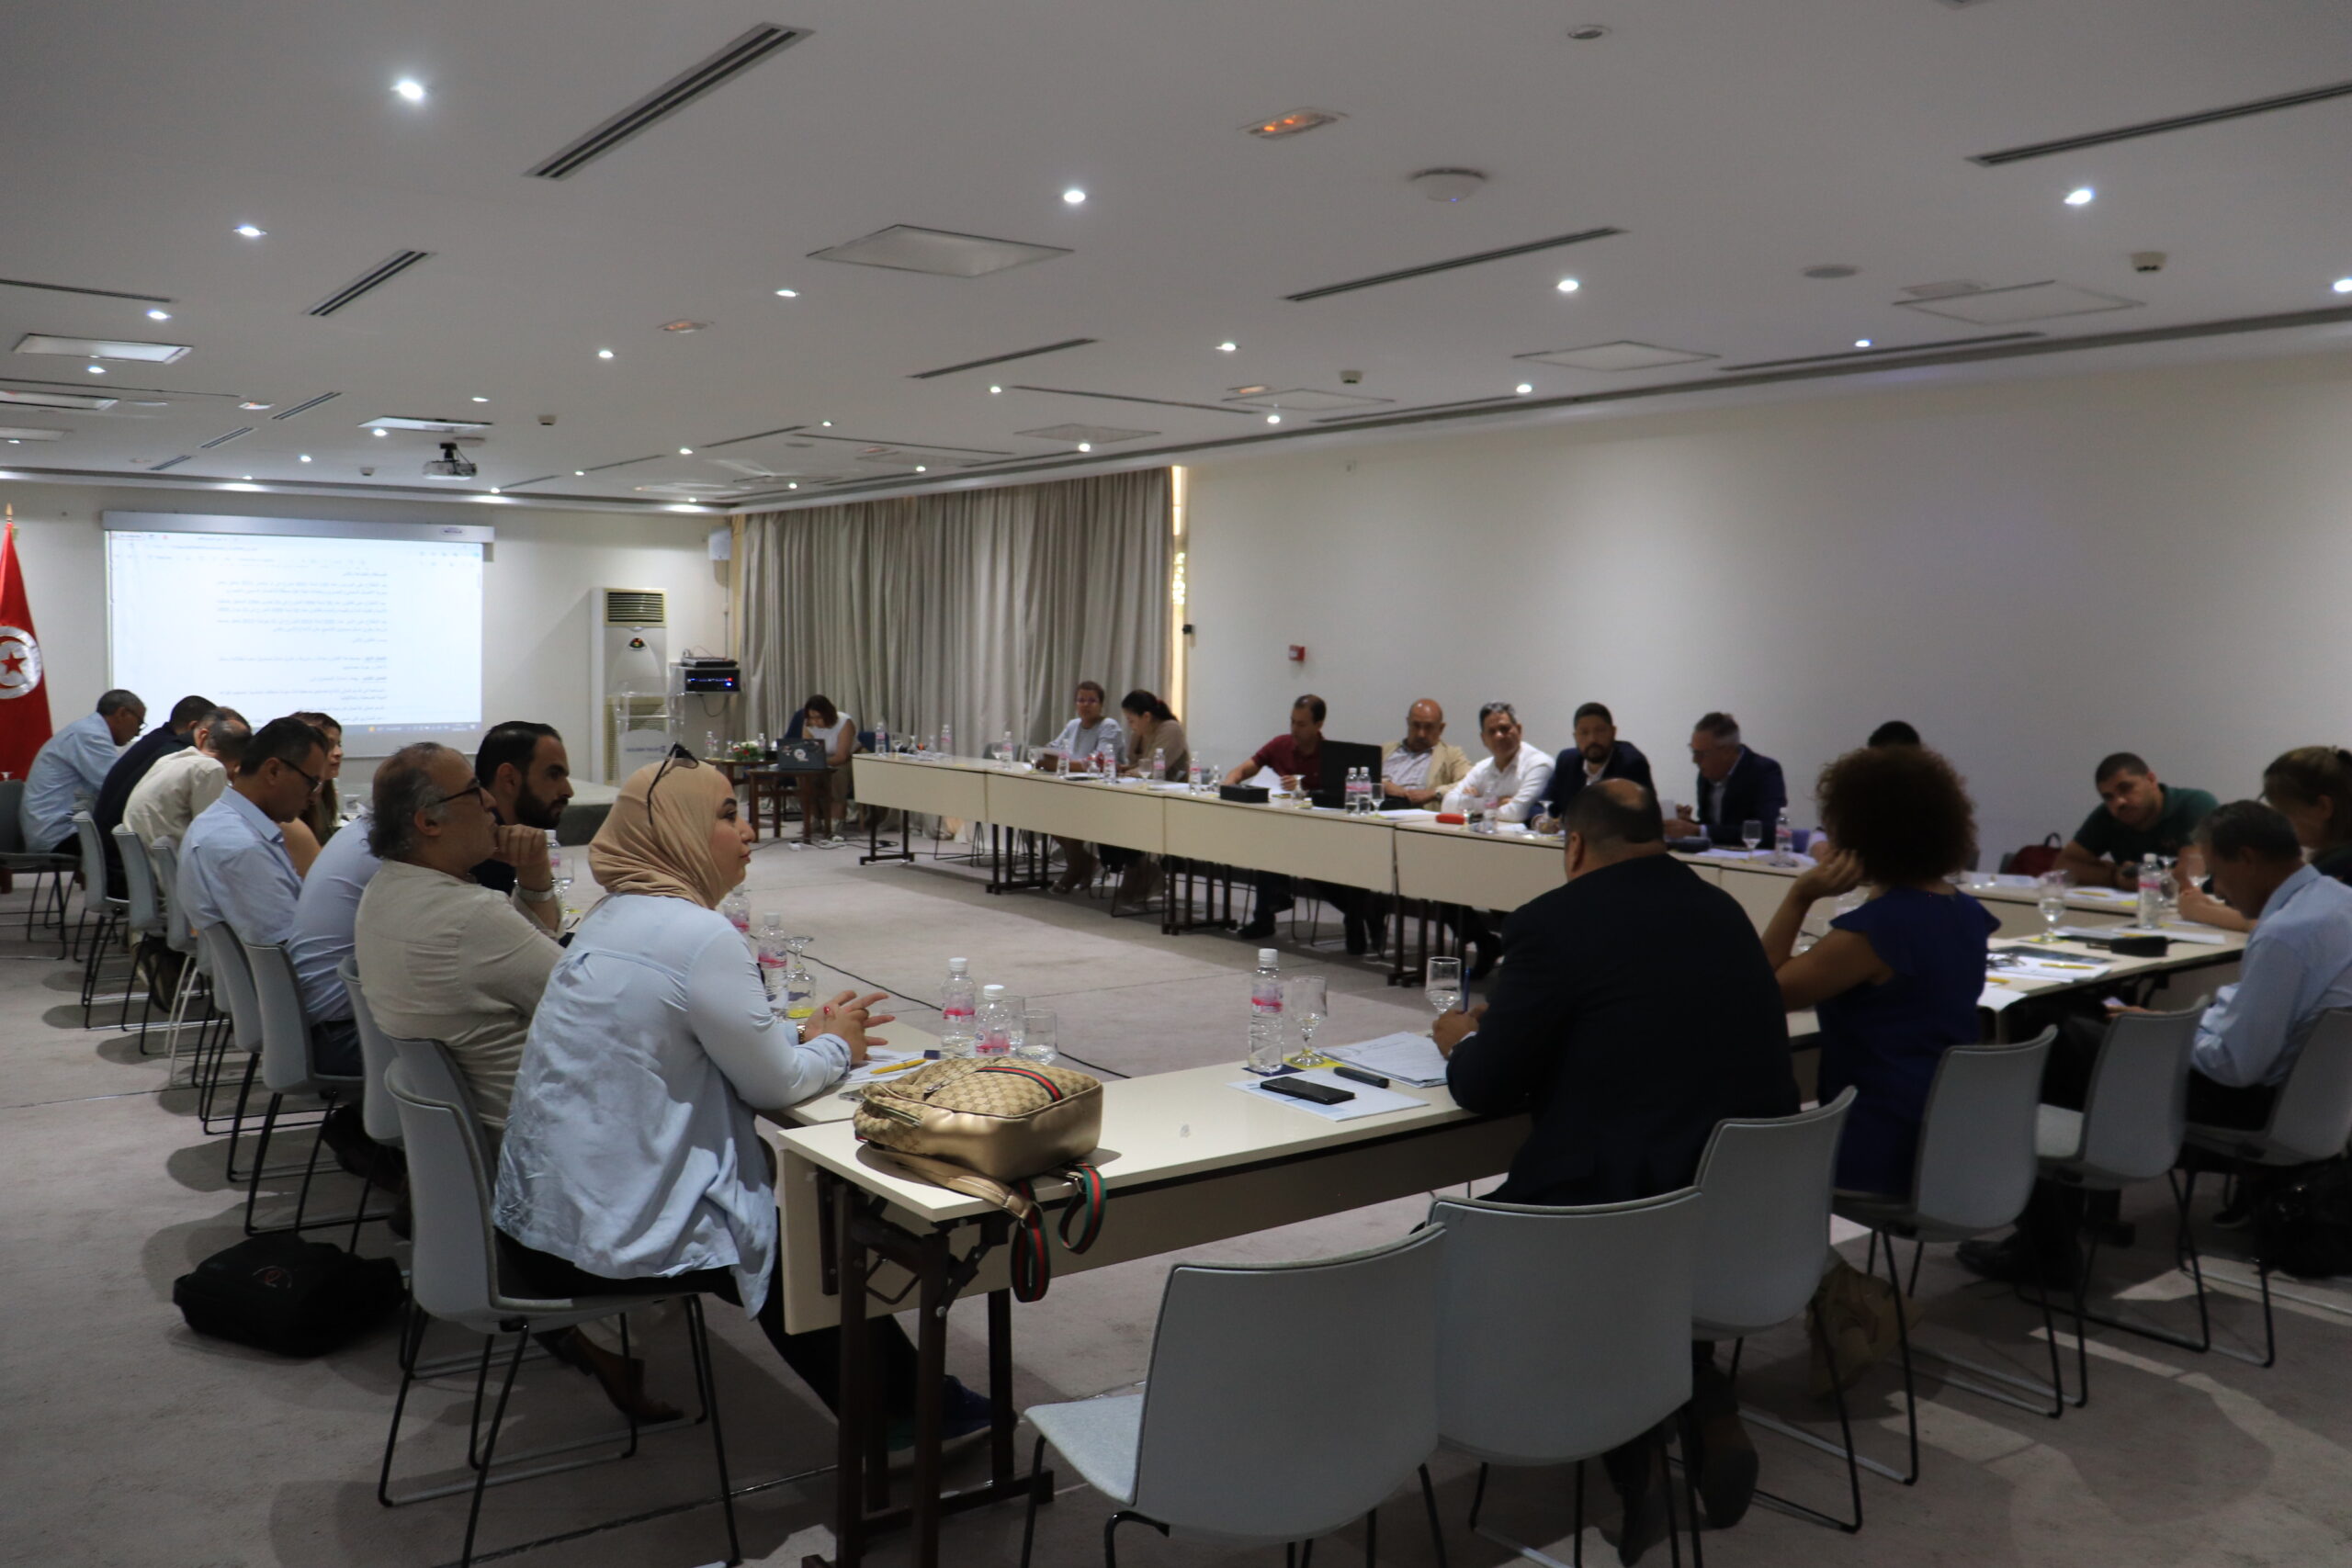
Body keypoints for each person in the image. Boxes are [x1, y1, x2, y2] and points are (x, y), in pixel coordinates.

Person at [492, 753, 989, 1440]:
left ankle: (905, 1406)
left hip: (539, 1225)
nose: (749, 830)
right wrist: (836, 1045)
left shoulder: (612, 915)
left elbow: (706, 1044)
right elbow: (775, 1083)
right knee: (800, 1246)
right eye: (727, 814)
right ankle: (910, 1420)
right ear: (678, 831)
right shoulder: (698, 936)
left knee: (781, 1220)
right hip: (598, 1239)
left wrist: (806, 1038)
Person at [1438, 781, 1796, 1556]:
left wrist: (1461, 1037)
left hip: (1616, 1213)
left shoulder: (1551, 922)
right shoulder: (1724, 910)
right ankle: (1703, 1396)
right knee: (1651, 1214)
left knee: (1442, 1245)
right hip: (1737, 1213)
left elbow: (1484, 1085)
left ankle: (1637, 1459)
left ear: (1572, 845)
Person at [1962, 800, 2352, 1285]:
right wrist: (2167, 1025)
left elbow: (2235, 1066)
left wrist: (2167, 1034)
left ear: (2247, 859)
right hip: (2312, 1104)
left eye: (2217, 873)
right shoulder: (2338, 902)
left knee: (2050, 1034)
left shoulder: (2285, 935)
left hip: (2252, 1102)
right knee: (2084, 1025)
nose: (2217, 891)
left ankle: (2047, 1250)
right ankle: (2065, 1225)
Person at [1762, 746, 1993, 1197]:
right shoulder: (1967, 912)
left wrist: (1799, 896)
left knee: (1747, 1161)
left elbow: (1762, 993)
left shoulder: (1874, 932)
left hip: (1879, 1142)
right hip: (1949, 1133)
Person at [352, 743, 563, 1128]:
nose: (490, 801)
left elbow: (540, 961)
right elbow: (586, 1004)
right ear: (429, 823)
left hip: (470, 1130)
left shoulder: (382, 890)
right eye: (473, 791)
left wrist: (533, 872)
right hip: (538, 1134)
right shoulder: (472, 917)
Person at [176, 716, 333, 1029]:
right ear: (273, 771)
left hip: (279, 1001)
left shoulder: (228, 824)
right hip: (298, 1017)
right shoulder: (239, 847)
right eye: (311, 782)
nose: (315, 794)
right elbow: (289, 954)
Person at [2177, 746, 2352, 931]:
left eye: (2282, 811)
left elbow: (2281, 925)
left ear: (2323, 807)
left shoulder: (2341, 867)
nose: (2275, 821)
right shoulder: (2335, 860)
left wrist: (2201, 912)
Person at [1227, 695, 1329, 941]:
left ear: (1318, 725)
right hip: (1277, 828)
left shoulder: (1330, 755)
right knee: (1265, 839)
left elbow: (1334, 799)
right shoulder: (1280, 744)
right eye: (1292, 722)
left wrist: (1303, 789)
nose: (1294, 729)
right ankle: (1267, 913)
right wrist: (1228, 784)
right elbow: (1243, 769)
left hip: (1316, 833)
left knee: (1275, 845)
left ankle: (1273, 903)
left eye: (1301, 724)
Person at [91, 694, 212, 897]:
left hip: (118, 857)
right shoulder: (174, 754)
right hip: (127, 868)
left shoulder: (159, 743)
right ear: (196, 729)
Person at [465, 720, 573, 933]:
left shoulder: (507, 840)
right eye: (554, 775)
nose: (568, 791)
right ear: (510, 779)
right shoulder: (484, 853)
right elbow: (539, 943)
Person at [2056, 752, 2216, 891]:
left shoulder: (2195, 804)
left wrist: (2144, 880)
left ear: (2151, 780)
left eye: (2126, 788)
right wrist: (2115, 876)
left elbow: (2189, 879)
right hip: (2136, 907)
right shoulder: (2108, 815)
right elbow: (2062, 867)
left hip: (2205, 908)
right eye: (2108, 797)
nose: (2119, 802)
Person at [19, 689, 143, 856]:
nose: (138, 732)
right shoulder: (90, 736)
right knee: (136, 845)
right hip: (58, 835)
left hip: (60, 828)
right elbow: (119, 788)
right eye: (139, 723)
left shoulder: (88, 731)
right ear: (122, 713)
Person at [1102, 689, 1188, 911]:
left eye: (1132, 720)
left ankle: (1138, 870)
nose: (1130, 725)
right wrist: (1122, 768)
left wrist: (1130, 771)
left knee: (1122, 815)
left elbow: (1152, 770)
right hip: (1145, 795)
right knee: (1105, 811)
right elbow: (1137, 765)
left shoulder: (1170, 729)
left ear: (1147, 716)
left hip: (1170, 800)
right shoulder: (1141, 732)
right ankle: (1140, 869)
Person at [1047, 682, 1132, 893]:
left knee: (1068, 816)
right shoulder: (1073, 725)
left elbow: (1098, 763)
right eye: (1081, 700)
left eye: (1092, 700)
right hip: (1072, 788)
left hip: (1104, 792)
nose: (1086, 705)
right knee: (1044, 814)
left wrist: (1061, 763)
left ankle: (1075, 869)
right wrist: (1049, 757)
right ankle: (1087, 863)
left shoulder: (1109, 726)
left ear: (1101, 704)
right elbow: (1052, 749)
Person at [125, 708, 249, 852]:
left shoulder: (170, 759)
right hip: (169, 862)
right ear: (238, 765)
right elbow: (214, 834)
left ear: (203, 738)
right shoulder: (210, 768)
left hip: (147, 858)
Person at [1667, 712, 1788, 847]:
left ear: (1727, 751)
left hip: (1752, 856)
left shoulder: (1763, 771)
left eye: (1701, 754)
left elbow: (1770, 831)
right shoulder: (1706, 775)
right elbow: (1713, 827)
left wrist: (1699, 830)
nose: (1695, 760)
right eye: (1693, 751)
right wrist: (1688, 825)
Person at [1537, 702, 1653, 824]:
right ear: (1575, 737)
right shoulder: (1567, 761)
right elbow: (1542, 804)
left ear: (1613, 732)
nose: (1592, 739)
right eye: (1584, 732)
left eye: (1600, 731)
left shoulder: (1631, 763)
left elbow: (1645, 817)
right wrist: (1540, 821)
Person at [1442, 703, 1553, 823]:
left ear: (1519, 730)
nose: (1499, 736)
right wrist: (1493, 802)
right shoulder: (1482, 768)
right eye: (1491, 731)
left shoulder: (1539, 764)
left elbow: (1517, 813)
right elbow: (1447, 805)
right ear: (1483, 739)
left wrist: (1472, 806)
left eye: (1504, 729)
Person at [790, 694, 857, 849]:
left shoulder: (844, 722)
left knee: (837, 774)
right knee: (804, 777)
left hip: (848, 759)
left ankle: (836, 821)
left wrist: (817, 763)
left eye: (818, 718)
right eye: (811, 718)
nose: (815, 722)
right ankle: (814, 818)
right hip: (821, 760)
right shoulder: (808, 725)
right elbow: (808, 750)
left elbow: (841, 756)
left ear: (828, 714)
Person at [1378, 699, 1472, 809]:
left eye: (1428, 727)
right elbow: (1363, 776)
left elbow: (1469, 783)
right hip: (1376, 811)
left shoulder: (1452, 755)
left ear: (1441, 728)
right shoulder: (1385, 750)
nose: (1421, 734)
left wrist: (1434, 793)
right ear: (1408, 723)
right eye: (1416, 725)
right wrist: (1382, 785)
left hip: (1417, 814)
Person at [282, 710, 344, 870]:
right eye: (329, 745)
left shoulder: (325, 790)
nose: (339, 753)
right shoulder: (288, 809)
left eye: (339, 744)